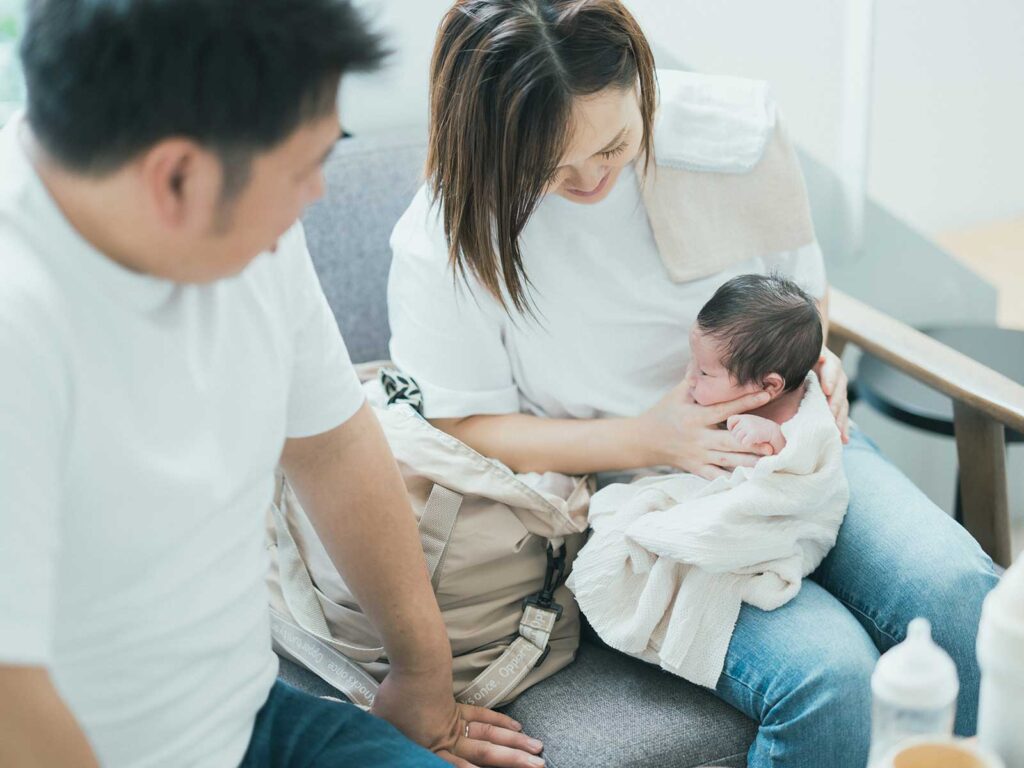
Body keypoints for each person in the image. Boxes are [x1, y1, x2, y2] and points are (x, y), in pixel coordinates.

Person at [386, 1, 1000, 766]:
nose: (591, 179)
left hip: (792, 446)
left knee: (963, 597)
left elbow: (802, 298)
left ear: (639, 80)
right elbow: (459, 422)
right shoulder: (446, 237)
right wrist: (648, 438)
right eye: (549, 169)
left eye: (614, 143)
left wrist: (813, 361)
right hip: (634, 499)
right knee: (832, 678)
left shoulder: (728, 137)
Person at [0, 1, 543, 766]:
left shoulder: (256, 230)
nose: (319, 193)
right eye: (306, 167)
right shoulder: (20, 325)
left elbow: (331, 443)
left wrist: (422, 674)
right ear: (178, 176)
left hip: (252, 718)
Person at [690, 273, 825, 455]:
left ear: (767, 385)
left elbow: (808, 459)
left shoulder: (802, 421)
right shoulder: (715, 391)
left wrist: (776, 438)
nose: (688, 378)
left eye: (704, 372)